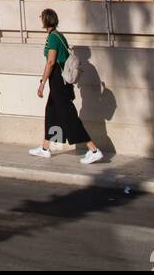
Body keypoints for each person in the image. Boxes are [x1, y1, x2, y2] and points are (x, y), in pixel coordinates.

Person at [29, 8, 103, 164]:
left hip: (58, 81)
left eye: (41, 17)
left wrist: (42, 83)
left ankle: (94, 150)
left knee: (69, 116)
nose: (40, 20)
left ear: (45, 20)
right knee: (51, 112)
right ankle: (45, 148)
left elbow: (51, 62)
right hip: (59, 82)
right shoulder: (58, 35)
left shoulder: (53, 38)